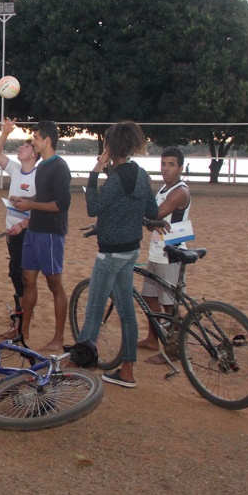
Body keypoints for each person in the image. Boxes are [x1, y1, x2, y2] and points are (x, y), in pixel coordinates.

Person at [75, 122, 159, 385]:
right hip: (131, 249)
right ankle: (127, 370)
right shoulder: (142, 174)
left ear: (111, 147)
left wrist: (94, 174)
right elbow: (151, 211)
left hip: (110, 254)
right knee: (126, 313)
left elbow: (93, 207)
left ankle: (78, 362)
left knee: (93, 312)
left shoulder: (114, 179)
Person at [11, 120, 70, 351]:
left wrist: (31, 205)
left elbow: (62, 204)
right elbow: (43, 197)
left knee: (54, 284)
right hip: (34, 230)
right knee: (28, 280)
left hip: (52, 232)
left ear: (47, 140)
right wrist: (26, 202)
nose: (32, 142)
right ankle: (23, 331)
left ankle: (58, 337)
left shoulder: (59, 167)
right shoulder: (43, 166)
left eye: (35, 138)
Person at [138, 147, 191, 355]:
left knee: (170, 306)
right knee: (150, 297)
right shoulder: (163, 189)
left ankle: (172, 349)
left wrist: (151, 220)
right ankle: (153, 339)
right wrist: (151, 220)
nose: (166, 169)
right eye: (163, 164)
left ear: (180, 167)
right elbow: (151, 220)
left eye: (171, 164)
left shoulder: (180, 191)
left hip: (172, 252)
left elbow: (155, 215)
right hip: (156, 250)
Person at [0, 117, 39, 314]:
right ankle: (21, 312)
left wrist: (23, 224)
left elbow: (40, 207)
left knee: (23, 274)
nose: (20, 147)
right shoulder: (15, 169)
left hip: (27, 232)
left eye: (26, 146)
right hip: (11, 231)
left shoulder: (39, 175)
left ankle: (23, 314)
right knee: (15, 273)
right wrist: (5, 133)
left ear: (35, 154)